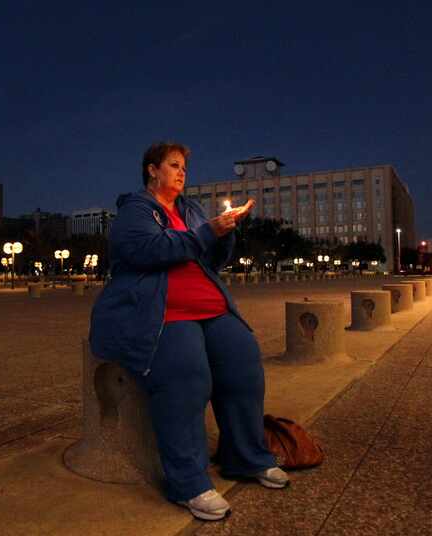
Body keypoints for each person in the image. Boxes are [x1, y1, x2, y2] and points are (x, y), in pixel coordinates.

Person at [89, 142, 288, 521]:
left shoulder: (191, 209)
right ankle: (189, 482)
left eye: (184, 167)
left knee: (244, 363)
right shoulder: (135, 210)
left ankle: (246, 457)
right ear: (152, 170)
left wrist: (225, 232)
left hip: (209, 305)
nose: (182, 173)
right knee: (187, 376)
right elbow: (147, 250)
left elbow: (212, 258)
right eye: (174, 165)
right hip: (161, 310)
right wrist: (205, 233)